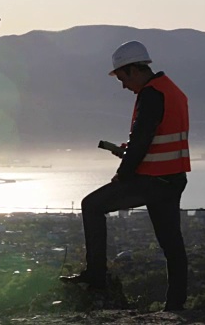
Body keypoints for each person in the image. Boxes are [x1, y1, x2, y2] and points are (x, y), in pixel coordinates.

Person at [60, 40, 191, 312]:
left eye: (122, 77)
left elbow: (143, 138)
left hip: (151, 180)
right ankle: (175, 305)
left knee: (91, 205)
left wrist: (123, 173)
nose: (123, 85)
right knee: (172, 245)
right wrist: (128, 151)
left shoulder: (151, 94)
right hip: (172, 179)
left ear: (133, 70)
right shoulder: (172, 90)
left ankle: (96, 276)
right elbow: (156, 137)